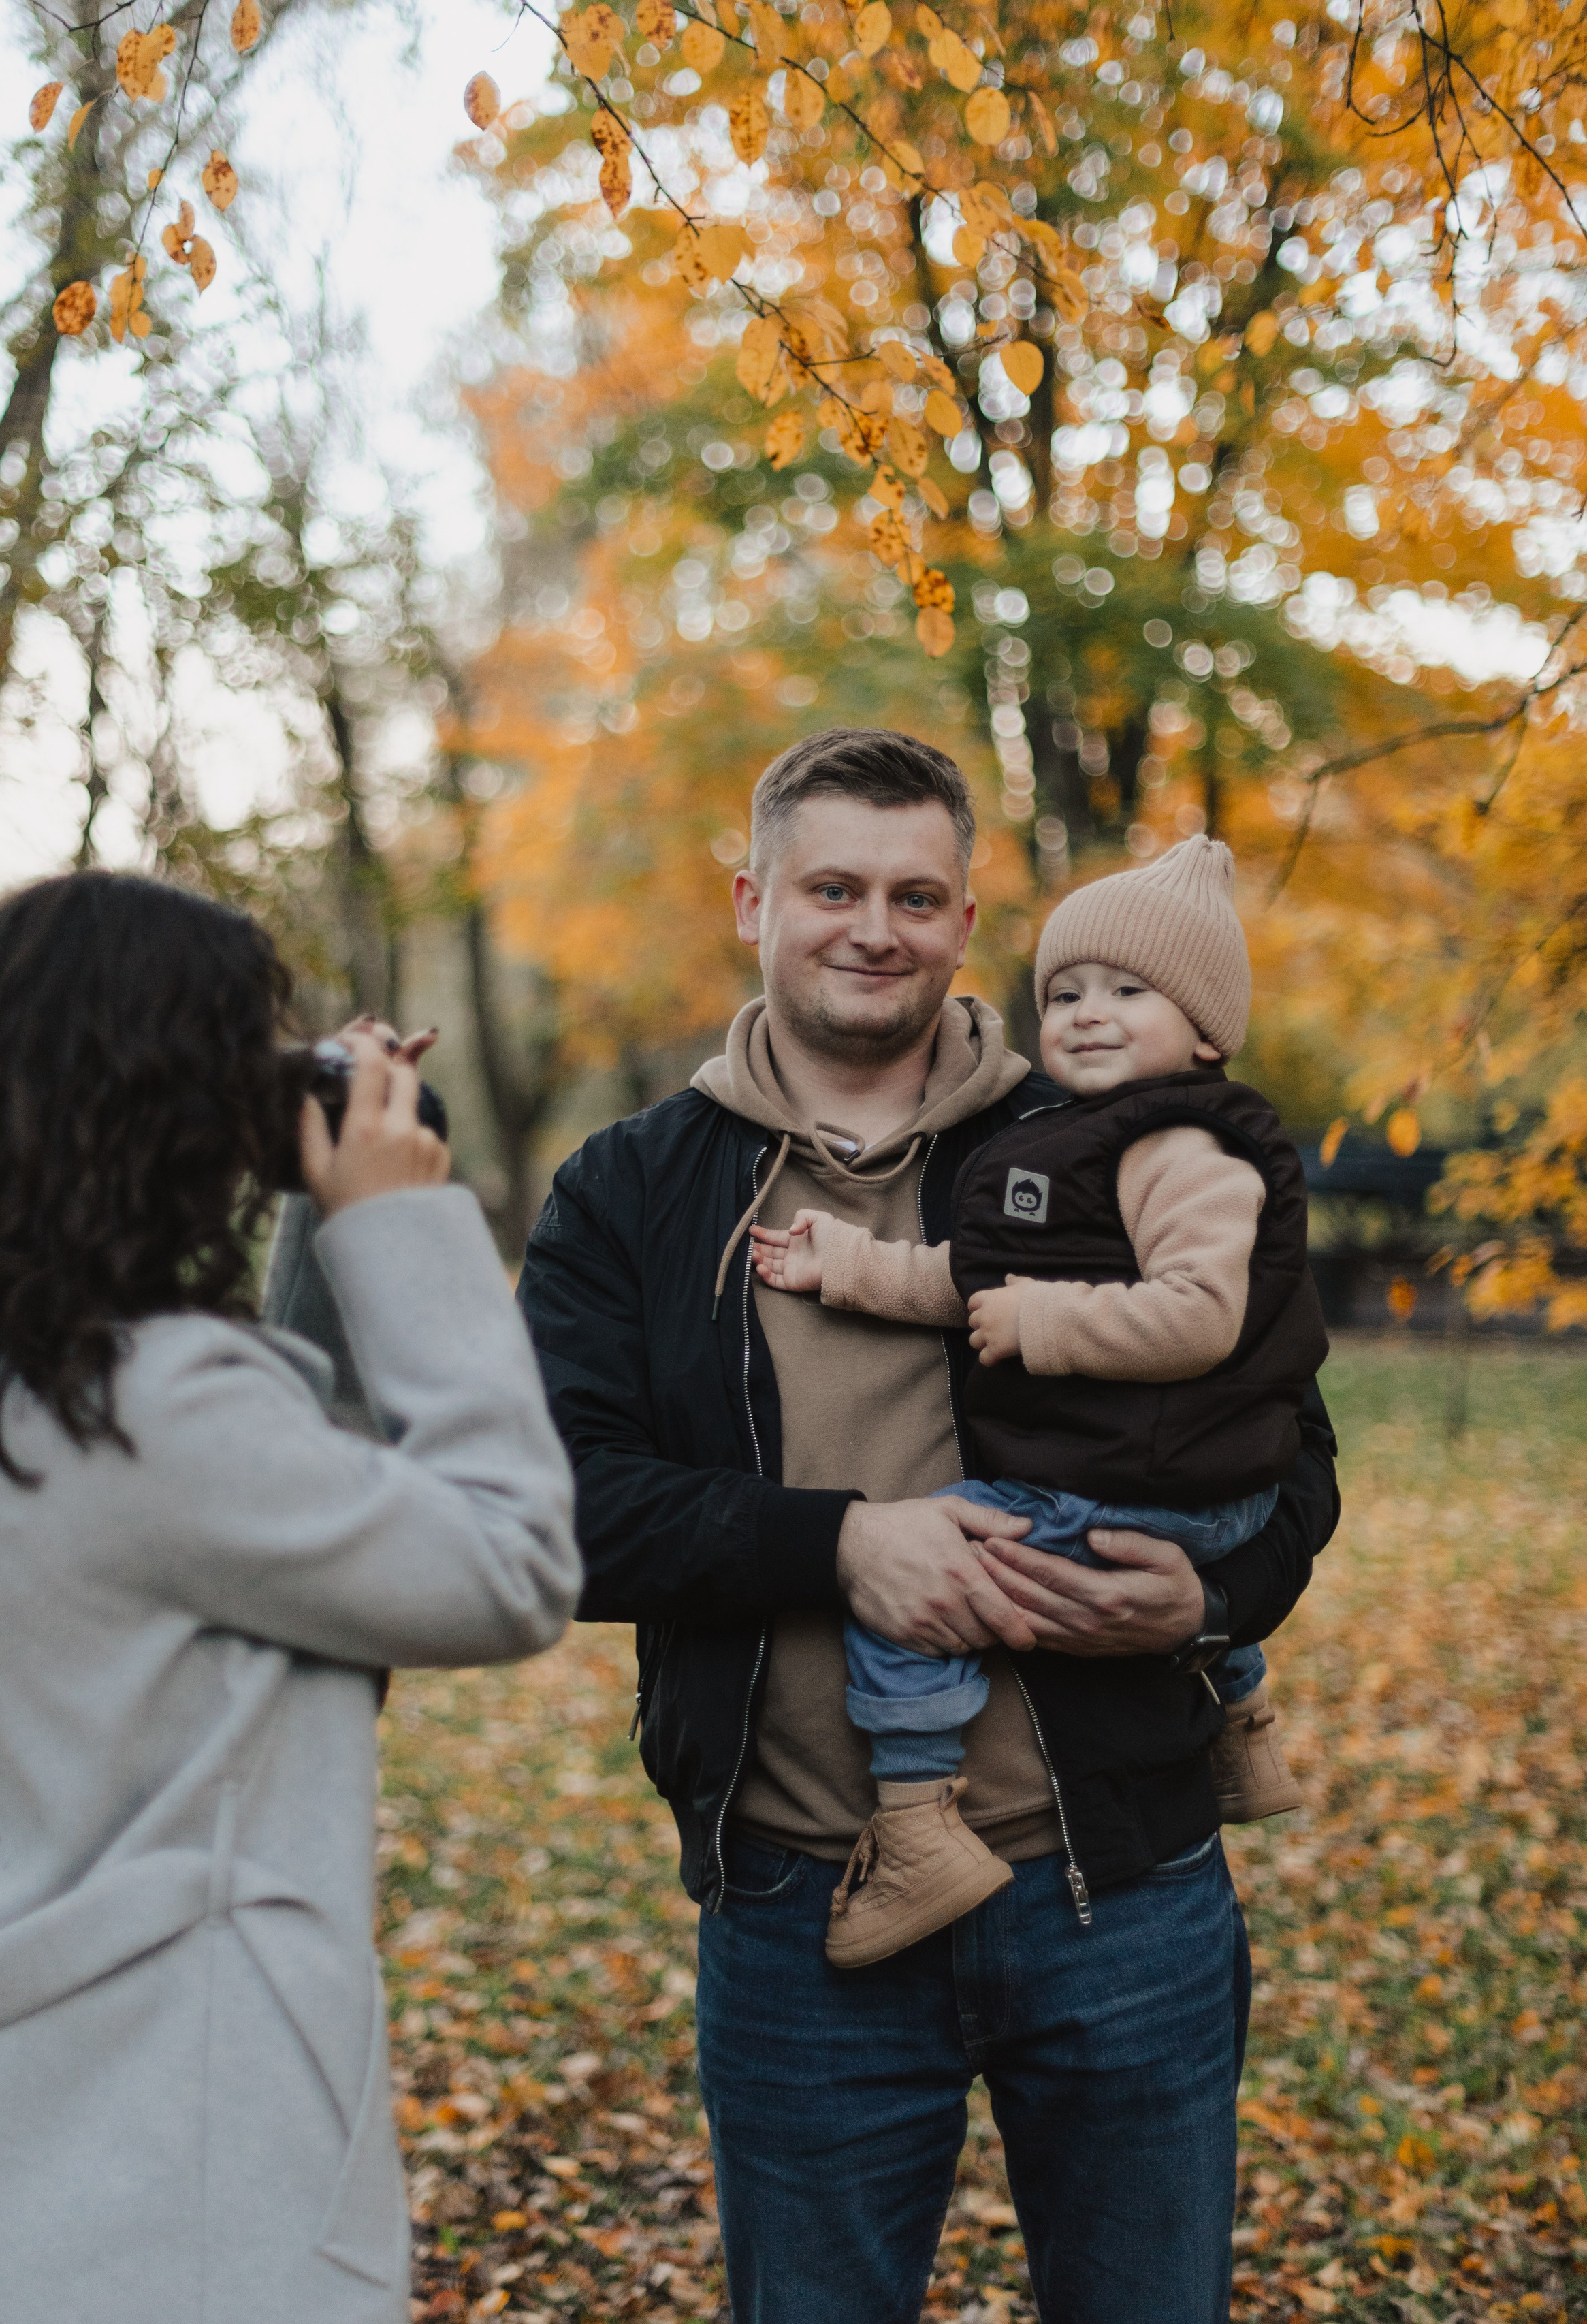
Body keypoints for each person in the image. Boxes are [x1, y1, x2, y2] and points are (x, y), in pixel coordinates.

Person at [517, 729, 1339, 2324]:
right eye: (831, 887)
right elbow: (560, 1507)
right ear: (753, 900)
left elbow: (1285, 1443)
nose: (871, 927)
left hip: (1120, 1889)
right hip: (805, 1907)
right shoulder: (631, 1191)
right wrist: (838, 1545)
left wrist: (1213, 1597)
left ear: (965, 922)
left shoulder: (1108, 1124)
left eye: (914, 894)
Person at [0, 872, 579, 2324]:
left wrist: (327, 1209)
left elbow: (289, 1494)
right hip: (183, 2138)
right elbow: (510, 1567)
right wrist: (405, 1230)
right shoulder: (161, 1404)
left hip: (12, 2106)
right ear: (165, 1097)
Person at [748, 833, 1319, 1969]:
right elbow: (967, 1277)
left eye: (1126, 990)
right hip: (1189, 1483)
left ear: (1206, 1031)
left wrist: (1045, 1326)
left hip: (1158, 1485)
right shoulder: (1073, 1142)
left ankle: (916, 1821)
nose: (1088, 1012)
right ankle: (1241, 1724)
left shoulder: (1184, 1149)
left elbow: (1202, 1313)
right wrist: (849, 1265)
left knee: (916, 1595)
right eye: (1065, 992)